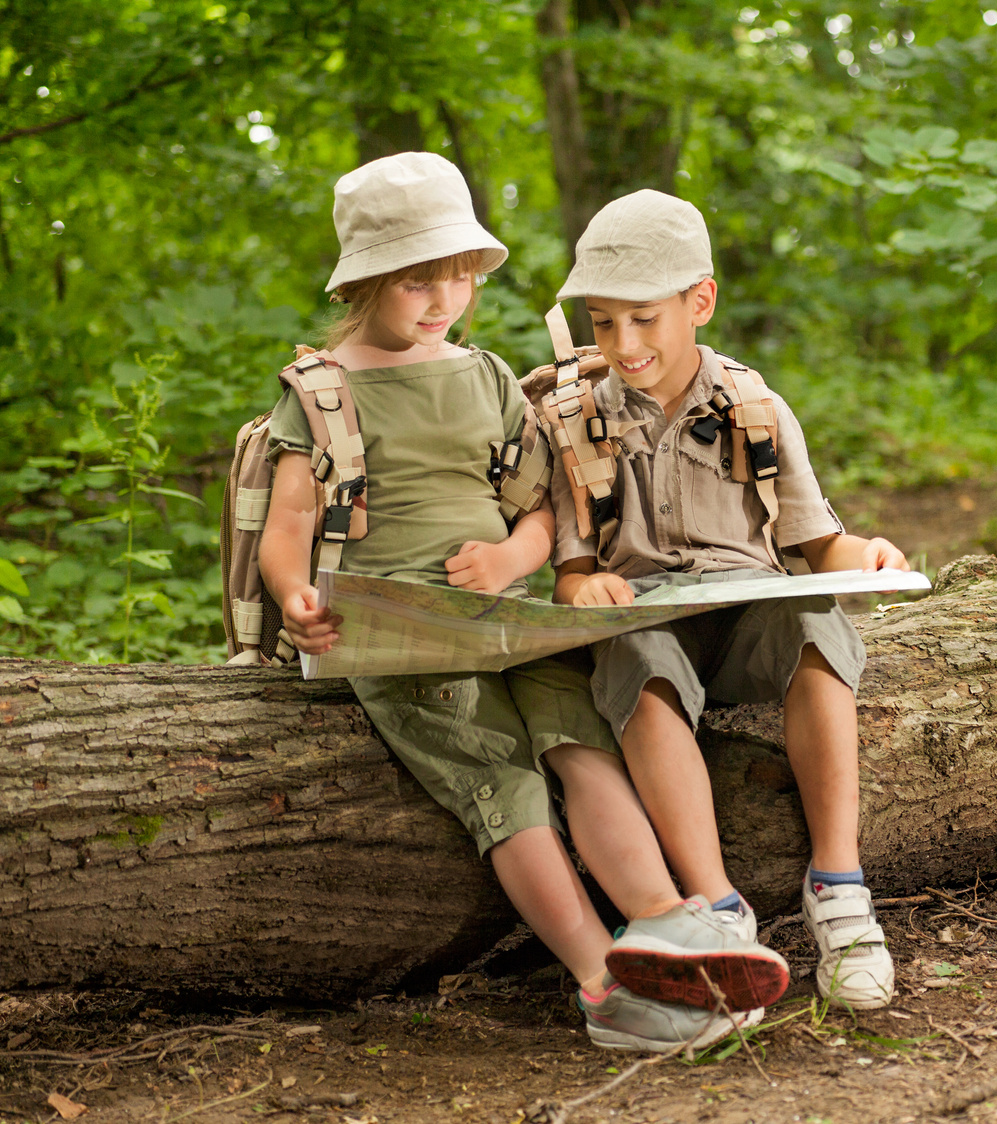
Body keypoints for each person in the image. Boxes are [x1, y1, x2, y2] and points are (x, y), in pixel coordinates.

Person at [256, 153, 785, 1052]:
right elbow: (288, 525)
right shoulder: (322, 390)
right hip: (396, 629)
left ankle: (666, 922)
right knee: (500, 782)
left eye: (457, 276)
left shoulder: (487, 377)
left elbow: (542, 510)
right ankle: (602, 984)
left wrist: (510, 559)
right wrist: (296, 597)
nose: (441, 298)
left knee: (580, 740)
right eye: (417, 280)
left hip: (506, 620)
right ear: (367, 282)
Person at [551, 189, 906, 1010]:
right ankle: (714, 907)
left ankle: (838, 886)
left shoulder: (753, 407)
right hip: (651, 627)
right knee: (635, 655)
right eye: (602, 323)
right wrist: (584, 584)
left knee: (816, 618)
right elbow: (570, 572)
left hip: (748, 624)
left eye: (643, 319)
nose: (623, 343)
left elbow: (820, 546)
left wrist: (870, 555)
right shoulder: (573, 421)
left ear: (699, 301)